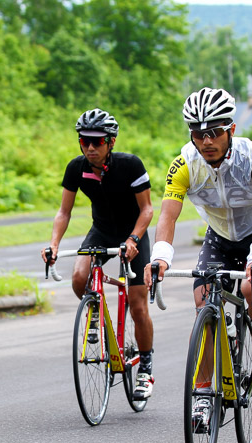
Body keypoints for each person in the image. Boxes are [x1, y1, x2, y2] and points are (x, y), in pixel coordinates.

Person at [143, 88, 252, 425]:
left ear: (231, 130)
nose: (205, 141)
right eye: (197, 133)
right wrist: (160, 257)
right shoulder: (184, 164)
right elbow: (167, 217)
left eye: (213, 132)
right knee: (203, 307)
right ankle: (203, 395)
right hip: (218, 240)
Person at [42, 108, 156, 399]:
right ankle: (95, 311)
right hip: (102, 231)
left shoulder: (130, 165)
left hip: (133, 233)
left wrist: (133, 239)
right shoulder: (76, 168)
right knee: (80, 278)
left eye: (98, 142)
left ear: (111, 142)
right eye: (84, 142)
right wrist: (54, 244)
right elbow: (63, 211)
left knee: (138, 304)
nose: (90, 148)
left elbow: (147, 210)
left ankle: (145, 367)